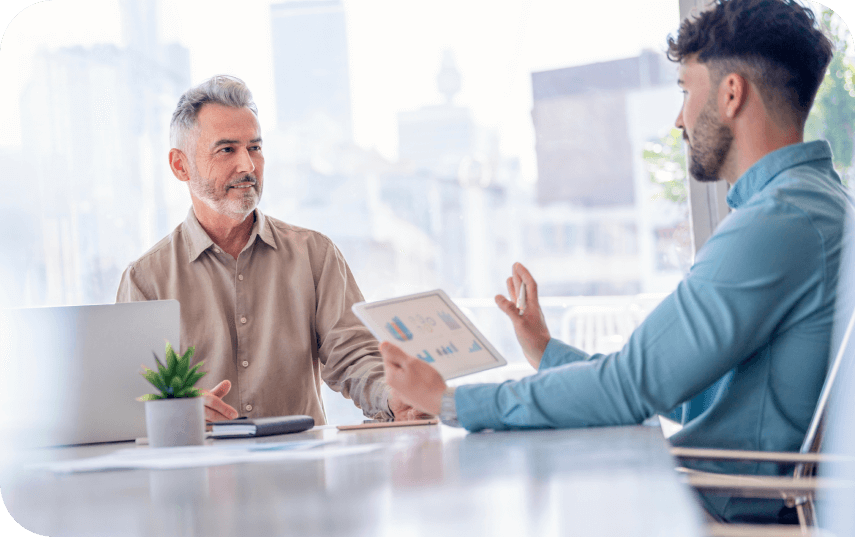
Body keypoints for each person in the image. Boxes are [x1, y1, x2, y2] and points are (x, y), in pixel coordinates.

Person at [380, 0, 852, 523]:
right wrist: (547, 352)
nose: (679, 119)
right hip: (727, 495)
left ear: (731, 93)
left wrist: (452, 402)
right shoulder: (814, 206)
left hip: (720, 509)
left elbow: (632, 389)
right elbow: (677, 388)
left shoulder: (775, 224)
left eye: (685, 91)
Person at [117, 75, 418, 424]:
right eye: (227, 149)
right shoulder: (145, 279)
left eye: (255, 148)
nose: (247, 166)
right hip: (200, 473)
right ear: (180, 165)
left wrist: (393, 397)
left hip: (301, 471)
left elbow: (354, 356)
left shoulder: (315, 255)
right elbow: (129, 393)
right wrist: (177, 408)